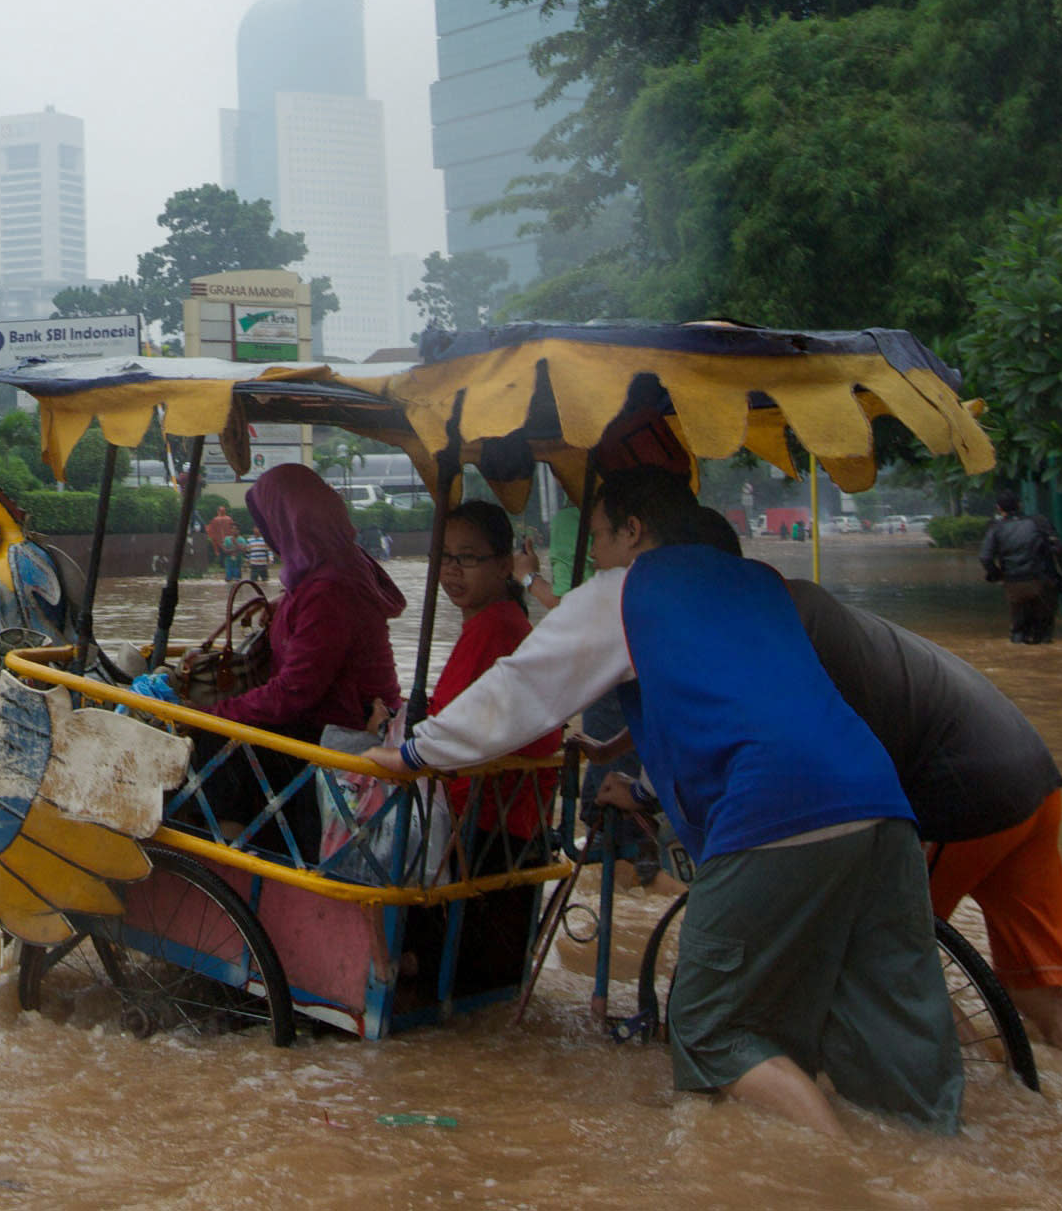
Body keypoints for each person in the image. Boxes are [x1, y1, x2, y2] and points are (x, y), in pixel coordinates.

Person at [368, 466, 961, 1138]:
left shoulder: (625, 589)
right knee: (897, 1035)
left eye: (598, 536)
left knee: (710, 1028)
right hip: (879, 801)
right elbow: (735, 691)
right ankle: (934, 1167)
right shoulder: (759, 582)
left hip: (773, 807)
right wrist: (617, 739)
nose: (594, 555)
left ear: (633, 530)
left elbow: (522, 687)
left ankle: (846, 1175)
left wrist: (416, 752)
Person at [788, 574, 1062, 1057]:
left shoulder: (789, 642)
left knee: (892, 948)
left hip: (969, 800)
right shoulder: (844, 627)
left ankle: (985, 1077)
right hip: (1034, 781)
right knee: (1034, 984)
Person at [137, 464, 407, 864]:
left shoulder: (328, 590)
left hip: (337, 735)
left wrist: (210, 714)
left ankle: (229, 862)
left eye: (269, 523)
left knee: (210, 741)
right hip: (333, 722)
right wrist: (285, 606)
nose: (265, 535)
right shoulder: (338, 567)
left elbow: (295, 692)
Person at [398, 498, 563, 1000]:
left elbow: (446, 730)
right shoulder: (500, 621)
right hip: (507, 820)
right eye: (445, 557)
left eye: (467, 558)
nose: (452, 570)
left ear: (504, 563)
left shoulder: (495, 627)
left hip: (480, 823)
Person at [978, 489, 1062, 644]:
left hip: (1014, 585)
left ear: (999, 508)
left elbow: (985, 557)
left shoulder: (996, 528)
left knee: (1018, 631)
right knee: (1044, 632)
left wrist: (998, 575)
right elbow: (1059, 551)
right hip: (1042, 582)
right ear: (1019, 505)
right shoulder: (1039, 522)